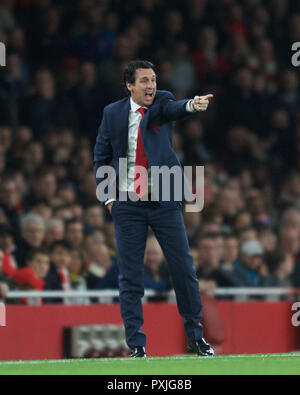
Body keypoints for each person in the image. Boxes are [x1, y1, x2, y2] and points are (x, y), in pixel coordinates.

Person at [94, 60, 214, 358]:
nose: (151, 86)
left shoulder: (163, 102)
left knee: (184, 269)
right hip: (127, 205)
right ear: (129, 85)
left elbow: (176, 109)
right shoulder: (112, 113)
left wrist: (192, 105)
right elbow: (101, 157)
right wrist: (109, 200)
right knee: (130, 276)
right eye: (145, 81)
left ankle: (196, 338)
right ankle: (136, 345)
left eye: (154, 80)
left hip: (164, 200)